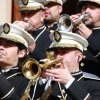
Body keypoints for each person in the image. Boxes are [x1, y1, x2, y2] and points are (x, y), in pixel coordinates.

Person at [24, 30, 100, 100]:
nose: (57, 57)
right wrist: (43, 79)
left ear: (79, 57)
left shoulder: (93, 84)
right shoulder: (49, 81)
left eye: (63, 53)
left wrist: (69, 82)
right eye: (56, 53)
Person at [0, 23, 35, 100]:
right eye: (0, 43)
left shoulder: (27, 79)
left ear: (21, 53)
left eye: (8, 45)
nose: (1, 47)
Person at [71, 0, 100, 77]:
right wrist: (69, 30)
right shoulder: (74, 31)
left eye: (92, 8)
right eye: (84, 8)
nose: (86, 11)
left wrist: (90, 38)